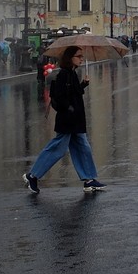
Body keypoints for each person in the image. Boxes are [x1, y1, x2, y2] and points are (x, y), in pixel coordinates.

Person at [23, 46, 106, 195]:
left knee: (83, 148)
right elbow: (61, 97)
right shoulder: (64, 75)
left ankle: (89, 179)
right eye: (78, 56)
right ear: (70, 58)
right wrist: (70, 109)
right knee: (57, 149)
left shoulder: (72, 74)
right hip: (68, 121)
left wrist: (83, 85)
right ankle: (33, 176)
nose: (81, 58)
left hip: (75, 120)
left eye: (81, 56)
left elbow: (73, 93)